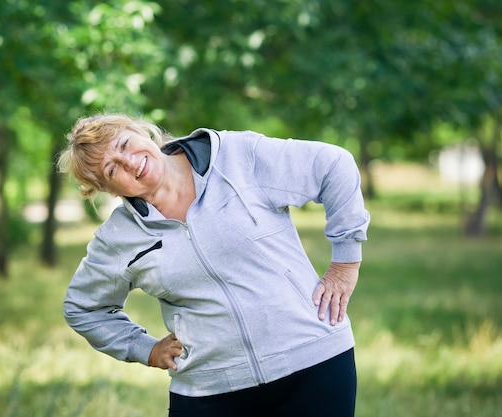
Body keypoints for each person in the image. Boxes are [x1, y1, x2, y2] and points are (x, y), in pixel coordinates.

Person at [58, 113, 370, 417]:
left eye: (124, 145)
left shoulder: (236, 158)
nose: (129, 162)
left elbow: (333, 165)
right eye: (112, 169)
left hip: (313, 364)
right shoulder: (119, 237)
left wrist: (345, 263)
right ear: (107, 189)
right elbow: (83, 308)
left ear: (142, 132)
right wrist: (145, 349)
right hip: (208, 391)